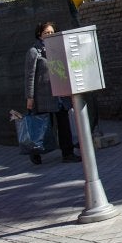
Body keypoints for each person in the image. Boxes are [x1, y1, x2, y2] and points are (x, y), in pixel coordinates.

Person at [24, 21, 78, 165]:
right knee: (43, 126)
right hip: (44, 96)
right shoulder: (34, 51)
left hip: (60, 94)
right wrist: (30, 97)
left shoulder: (59, 48)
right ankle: (35, 152)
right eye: (46, 32)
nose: (50, 35)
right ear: (39, 34)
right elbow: (29, 76)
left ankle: (68, 153)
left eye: (52, 32)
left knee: (64, 125)